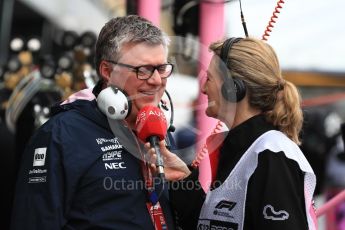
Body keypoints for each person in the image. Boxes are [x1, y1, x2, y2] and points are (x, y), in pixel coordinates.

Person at [11, 15, 176, 230]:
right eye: (142, 70)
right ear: (107, 71)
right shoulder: (60, 134)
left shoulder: (160, 132)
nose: (156, 80)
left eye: (161, 68)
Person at [148, 37, 318, 229]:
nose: (203, 89)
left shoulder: (271, 155)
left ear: (233, 88)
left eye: (209, 79)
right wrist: (183, 179)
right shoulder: (245, 149)